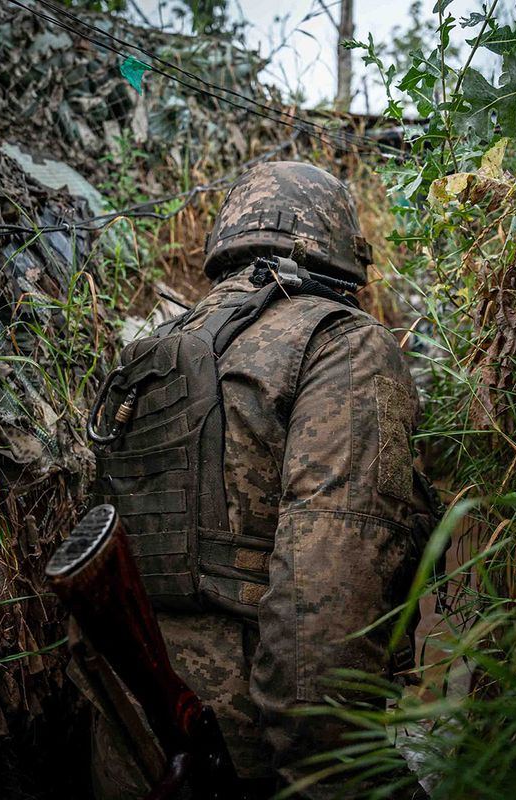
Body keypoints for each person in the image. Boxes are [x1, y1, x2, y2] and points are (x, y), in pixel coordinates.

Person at [87, 161, 436, 799]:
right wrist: (346, 779)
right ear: (340, 246)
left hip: (133, 747)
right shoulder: (343, 345)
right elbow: (324, 611)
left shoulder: (154, 351)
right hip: (251, 758)